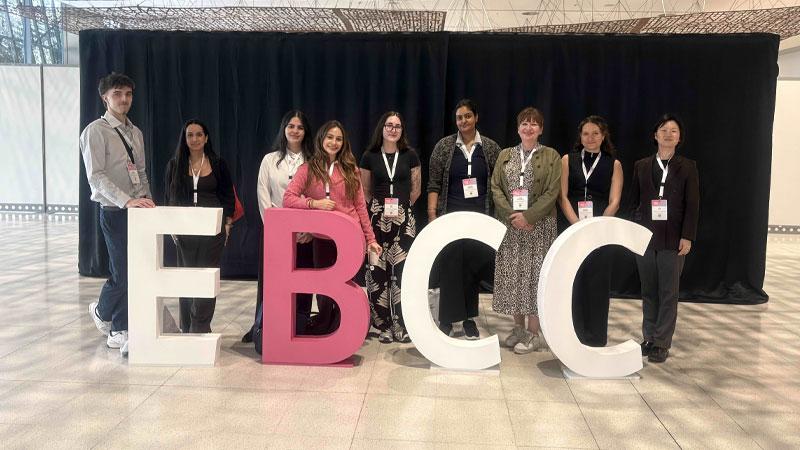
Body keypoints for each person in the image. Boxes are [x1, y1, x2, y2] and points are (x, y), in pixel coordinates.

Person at [80, 72, 155, 356]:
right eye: (117, 94)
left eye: (128, 94)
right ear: (104, 97)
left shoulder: (135, 132)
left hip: (138, 210)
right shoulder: (95, 131)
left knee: (135, 270)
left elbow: (141, 171)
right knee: (122, 271)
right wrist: (126, 202)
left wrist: (146, 199)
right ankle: (103, 311)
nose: (124, 99)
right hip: (114, 210)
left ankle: (119, 328)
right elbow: (96, 177)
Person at [283, 120, 382, 334]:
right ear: (321, 139)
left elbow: (360, 206)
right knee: (325, 287)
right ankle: (327, 326)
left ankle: (344, 327)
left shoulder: (350, 169)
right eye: (330, 137)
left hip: (350, 237)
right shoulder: (308, 168)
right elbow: (288, 198)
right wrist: (314, 204)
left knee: (346, 286)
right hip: (322, 238)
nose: (334, 142)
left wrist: (371, 239)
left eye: (338, 139)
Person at [427, 99, 501, 340]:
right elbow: (434, 183)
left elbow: (498, 185)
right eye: (459, 117)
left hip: (480, 219)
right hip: (450, 217)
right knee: (450, 267)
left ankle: (469, 320)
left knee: (471, 269)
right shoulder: (444, 147)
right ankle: (447, 320)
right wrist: (432, 216)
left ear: (476, 118)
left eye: (468, 116)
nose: (463, 121)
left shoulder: (490, 148)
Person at [630, 114, 699, 363]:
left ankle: (662, 342)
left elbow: (692, 205)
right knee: (649, 291)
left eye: (673, 131)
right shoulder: (641, 165)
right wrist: (635, 231)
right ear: (655, 135)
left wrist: (687, 236)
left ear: (679, 138)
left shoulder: (687, 166)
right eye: (663, 130)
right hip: (646, 238)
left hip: (673, 239)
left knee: (668, 292)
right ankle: (648, 337)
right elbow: (635, 202)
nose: (668, 134)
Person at [491, 107, 561, 354]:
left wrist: (529, 216)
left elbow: (552, 192)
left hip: (539, 227)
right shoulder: (505, 155)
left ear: (541, 129)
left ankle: (533, 333)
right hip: (511, 226)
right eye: (524, 123)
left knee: (534, 277)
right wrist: (513, 216)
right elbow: (496, 187)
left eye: (534, 124)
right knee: (514, 278)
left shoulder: (551, 155)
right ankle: (518, 328)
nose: (529, 128)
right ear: (518, 128)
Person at [242, 110, 314, 347]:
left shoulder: (313, 160)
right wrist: (275, 228)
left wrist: (309, 229)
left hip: (304, 235)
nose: (295, 130)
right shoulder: (269, 160)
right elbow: (263, 194)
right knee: (272, 280)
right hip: (275, 232)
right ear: (284, 129)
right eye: (291, 126)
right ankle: (264, 326)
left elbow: (314, 196)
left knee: (303, 280)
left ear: (306, 132)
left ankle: (301, 325)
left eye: (300, 127)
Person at [558, 115, 623, 347]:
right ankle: (574, 336)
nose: (590, 138)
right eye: (586, 133)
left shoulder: (613, 163)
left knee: (597, 281)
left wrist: (598, 226)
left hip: (600, 231)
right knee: (574, 280)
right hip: (572, 227)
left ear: (603, 136)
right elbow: (562, 196)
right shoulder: (568, 160)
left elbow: (615, 200)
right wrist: (577, 225)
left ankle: (596, 338)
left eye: (595, 133)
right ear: (580, 136)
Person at [164, 120, 235, 333]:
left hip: (212, 230)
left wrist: (228, 223)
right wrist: (172, 226)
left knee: (205, 277)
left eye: (198, 135)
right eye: (190, 135)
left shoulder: (218, 163)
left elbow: (228, 196)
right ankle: (187, 326)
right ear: (184, 139)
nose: (194, 139)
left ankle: (200, 325)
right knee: (187, 278)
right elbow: (169, 198)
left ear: (206, 138)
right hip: (185, 230)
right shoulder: (175, 164)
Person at [360, 111, 422, 343]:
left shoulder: (410, 155)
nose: (393, 129)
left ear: (402, 130)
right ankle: (383, 324)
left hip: (404, 221)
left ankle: (402, 325)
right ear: (382, 128)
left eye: (397, 126)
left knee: (402, 272)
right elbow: (364, 189)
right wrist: (379, 210)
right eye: (389, 125)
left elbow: (416, 189)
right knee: (377, 271)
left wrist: (400, 211)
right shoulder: (369, 156)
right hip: (377, 220)